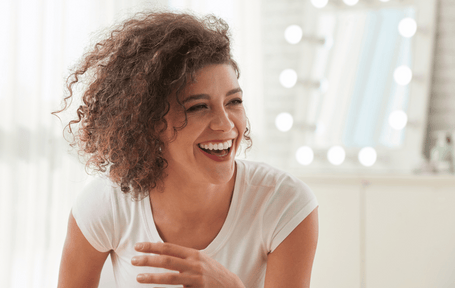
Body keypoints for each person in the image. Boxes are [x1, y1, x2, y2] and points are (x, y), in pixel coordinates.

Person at [55, 10, 319, 288]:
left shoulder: (284, 203)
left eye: (234, 102)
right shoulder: (107, 204)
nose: (225, 124)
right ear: (150, 122)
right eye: (198, 107)